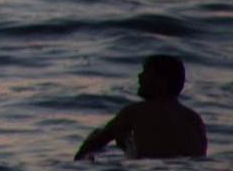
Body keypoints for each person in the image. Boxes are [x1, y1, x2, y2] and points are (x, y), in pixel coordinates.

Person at [74, 54, 208, 160]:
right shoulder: (195, 120)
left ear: (161, 81)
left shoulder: (136, 111)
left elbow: (93, 145)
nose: (139, 77)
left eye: (146, 71)